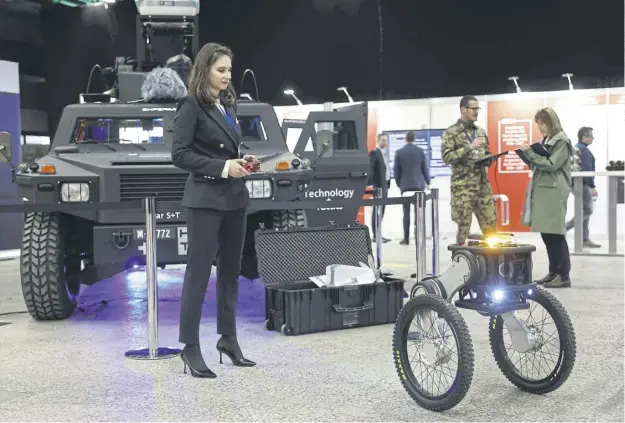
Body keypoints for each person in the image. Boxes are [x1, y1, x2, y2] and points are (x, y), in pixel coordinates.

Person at [171, 42, 258, 378]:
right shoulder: (191, 104)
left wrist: (242, 161)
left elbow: (227, 148)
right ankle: (190, 347)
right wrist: (223, 167)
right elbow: (179, 155)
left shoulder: (227, 105)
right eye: (221, 70)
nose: (227, 76)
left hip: (235, 200)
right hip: (205, 201)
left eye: (230, 71)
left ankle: (228, 340)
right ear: (205, 68)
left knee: (230, 274)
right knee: (197, 276)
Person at [517, 107, 573, 288]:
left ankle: (563, 275)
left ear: (550, 123)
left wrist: (531, 154)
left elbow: (552, 164)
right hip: (544, 190)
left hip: (554, 191)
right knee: (547, 234)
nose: (540, 128)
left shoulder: (562, 141)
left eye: (542, 124)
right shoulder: (547, 140)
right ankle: (553, 272)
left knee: (556, 234)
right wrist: (528, 156)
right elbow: (541, 165)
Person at [441, 95, 497, 245]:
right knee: (463, 230)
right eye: (474, 108)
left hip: (482, 186)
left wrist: (489, 159)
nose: (477, 112)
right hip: (463, 188)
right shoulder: (451, 133)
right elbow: (447, 157)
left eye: (478, 108)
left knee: (491, 226)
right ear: (463, 109)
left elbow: (487, 152)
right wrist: (468, 148)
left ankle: (491, 263)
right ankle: (460, 261)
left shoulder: (480, 132)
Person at [565, 126, 601, 248]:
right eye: (591, 136)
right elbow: (587, 169)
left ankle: (584, 239)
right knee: (587, 210)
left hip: (575, 183)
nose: (593, 138)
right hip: (582, 183)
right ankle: (565, 228)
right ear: (584, 137)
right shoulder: (583, 150)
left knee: (584, 209)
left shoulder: (578, 148)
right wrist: (592, 187)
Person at [393, 131, 430, 245]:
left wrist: (400, 184)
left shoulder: (399, 152)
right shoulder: (419, 151)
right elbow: (424, 168)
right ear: (414, 138)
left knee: (406, 214)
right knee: (419, 214)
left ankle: (406, 238)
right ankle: (418, 238)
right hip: (419, 185)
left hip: (406, 187)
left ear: (406, 138)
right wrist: (428, 181)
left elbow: (396, 171)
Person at [368, 133, 390, 243]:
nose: (385, 142)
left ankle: (379, 233)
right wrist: (372, 184)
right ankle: (375, 235)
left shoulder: (384, 154)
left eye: (386, 140)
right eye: (383, 140)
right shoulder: (375, 153)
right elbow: (370, 169)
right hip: (378, 187)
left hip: (385, 186)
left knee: (382, 212)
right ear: (378, 140)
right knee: (377, 211)